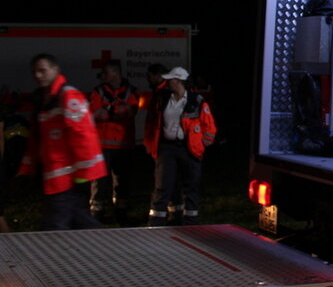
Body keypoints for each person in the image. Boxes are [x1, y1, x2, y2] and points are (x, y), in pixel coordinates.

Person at [17, 53, 106, 230]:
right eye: (35, 72)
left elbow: (82, 135)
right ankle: (105, 248)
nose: (38, 76)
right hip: (54, 174)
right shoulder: (44, 100)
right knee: (79, 221)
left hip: (64, 176)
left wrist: (84, 172)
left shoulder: (67, 97)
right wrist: (27, 169)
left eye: (43, 71)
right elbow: (37, 140)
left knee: (54, 227)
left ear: (55, 70)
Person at [147, 67, 216, 226]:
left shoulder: (197, 101)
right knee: (162, 185)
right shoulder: (163, 98)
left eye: (170, 79)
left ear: (178, 81)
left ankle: (190, 222)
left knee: (191, 185)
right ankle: (156, 222)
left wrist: (200, 144)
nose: (167, 82)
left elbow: (209, 128)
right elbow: (154, 123)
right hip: (167, 148)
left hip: (188, 149)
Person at [88, 59, 140, 225]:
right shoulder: (98, 91)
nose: (103, 75)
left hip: (124, 144)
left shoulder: (132, 91)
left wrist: (108, 111)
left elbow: (129, 112)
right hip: (102, 145)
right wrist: (115, 111)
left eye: (106, 72)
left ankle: (121, 212)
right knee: (99, 180)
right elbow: (94, 114)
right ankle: (97, 212)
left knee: (122, 180)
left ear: (116, 73)